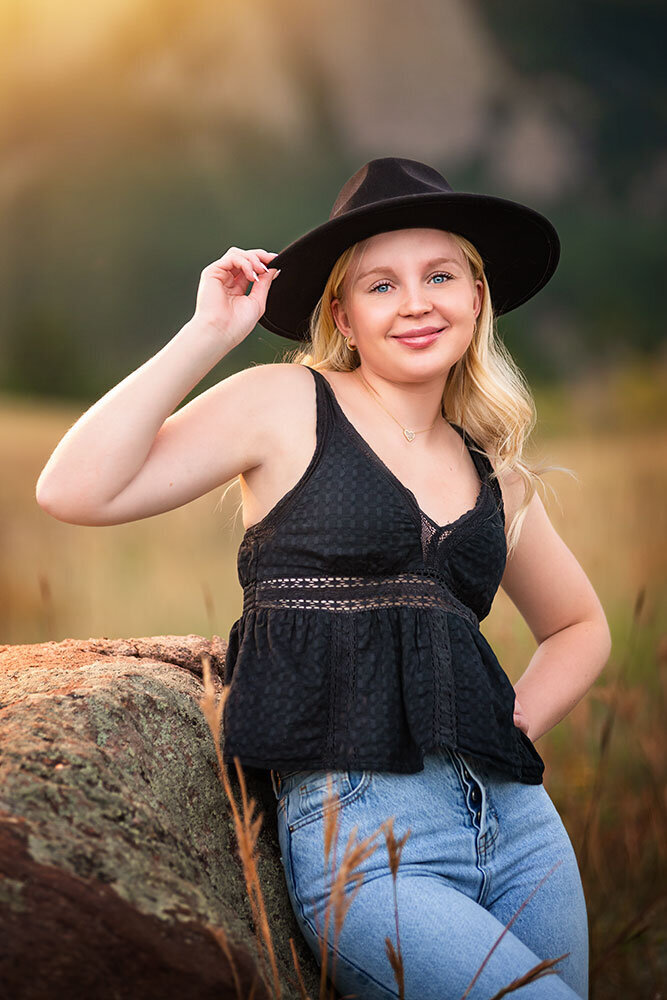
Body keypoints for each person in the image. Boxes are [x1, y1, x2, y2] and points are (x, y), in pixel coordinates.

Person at [36, 157, 611, 999]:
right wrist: (208, 335)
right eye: (381, 285)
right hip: (368, 838)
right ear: (341, 313)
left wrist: (510, 725)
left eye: (440, 275)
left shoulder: (498, 472)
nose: (415, 301)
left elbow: (579, 627)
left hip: (521, 831)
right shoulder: (283, 402)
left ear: (476, 297)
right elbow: (72, 489)